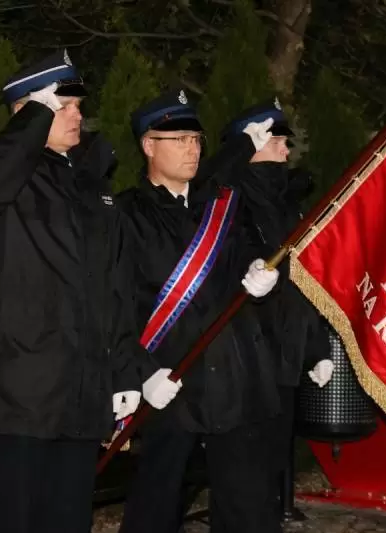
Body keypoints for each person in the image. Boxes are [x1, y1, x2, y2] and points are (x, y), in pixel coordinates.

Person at [0, 49, 170, 533]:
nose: (77, 115)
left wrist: (125, 373)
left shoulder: (89, 185)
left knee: (69, 520)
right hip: (22, 397)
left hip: (82, 392)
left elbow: (112, 289)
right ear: (26, 110)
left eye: (77, 105)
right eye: (62, 106)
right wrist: (33, 118)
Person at [117, 89, 283, 533]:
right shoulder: (125, 216)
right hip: (169, 384)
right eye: (179, 139)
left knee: (248, 511)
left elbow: (251, 254)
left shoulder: (221, 207)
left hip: (233, 380)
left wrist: (260, 274)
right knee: (155, 509)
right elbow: (113, 305)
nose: (192, 149)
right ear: (148, 145)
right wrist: (139, 373)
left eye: (196, 139)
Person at [220, 99, 334, 519]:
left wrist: (316, 347)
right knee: (243, 483)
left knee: (270, 474)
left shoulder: (286, 203)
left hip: (284, 355)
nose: (287, 150)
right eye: (277, 142)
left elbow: (304, 282)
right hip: (244, 361)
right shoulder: (229, 199)